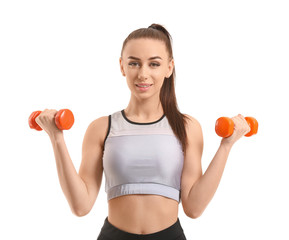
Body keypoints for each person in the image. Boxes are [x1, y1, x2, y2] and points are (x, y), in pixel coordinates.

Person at [35, 23, 251, 240]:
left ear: (169, 67)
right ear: (122, 66)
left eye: (154, 64)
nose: (143, 74)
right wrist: (57, 138)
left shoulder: (187, 127)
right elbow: (80, 206)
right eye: (134, 63)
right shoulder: (101, 128)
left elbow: (194, 208)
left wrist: (226, 145)